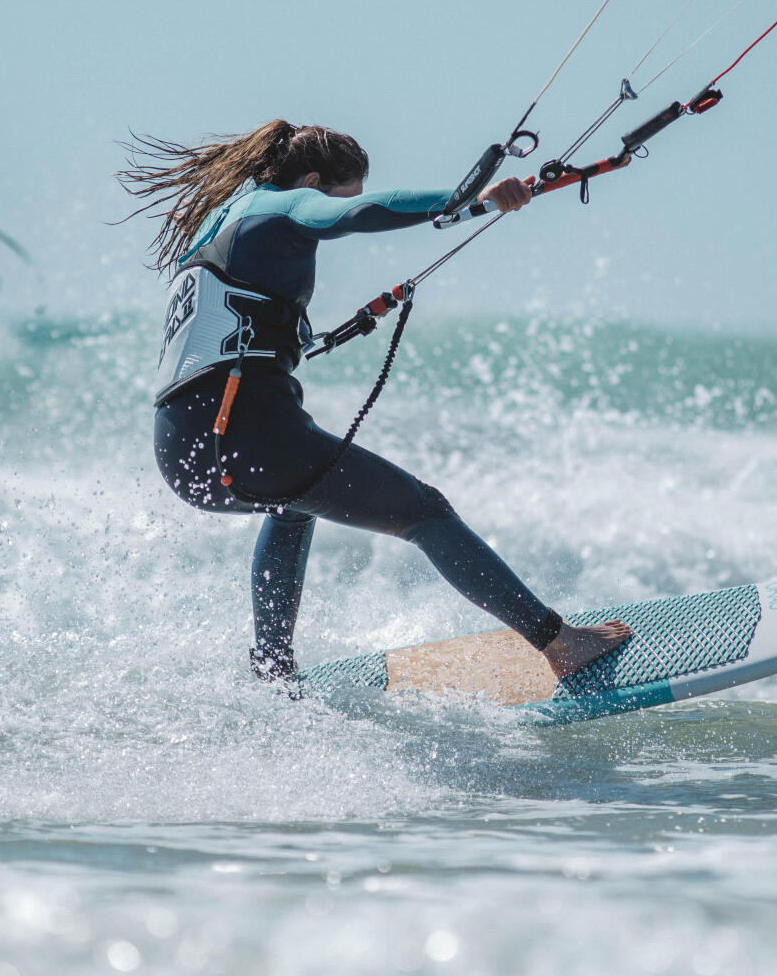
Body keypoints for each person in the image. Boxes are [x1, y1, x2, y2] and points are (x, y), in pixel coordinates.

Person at [124, 119, 631, 684]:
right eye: (342, 190)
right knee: (424, 511)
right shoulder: (282, 207)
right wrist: (469, 197)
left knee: (294, 505)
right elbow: (356, 214)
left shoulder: (222, 226)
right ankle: (559, 643)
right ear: (312, 180)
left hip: (184, 450)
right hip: (242, 431)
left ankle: (272, 671)